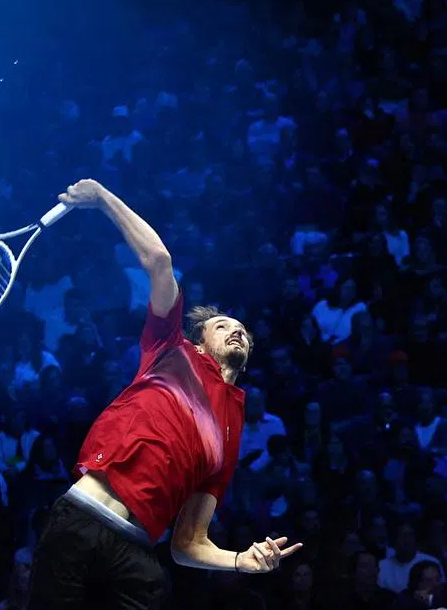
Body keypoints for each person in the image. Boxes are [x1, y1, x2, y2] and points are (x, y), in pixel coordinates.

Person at [28, 179, 302, 609]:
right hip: (79, 522)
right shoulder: (169, 351)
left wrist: (240, 561)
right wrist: (100, 197)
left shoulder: (229, 432)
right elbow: (158, 259)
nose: (236, 330)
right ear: (197, 343)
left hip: (135, 552)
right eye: (222, 325)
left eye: (243, 330)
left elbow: (188, 544)